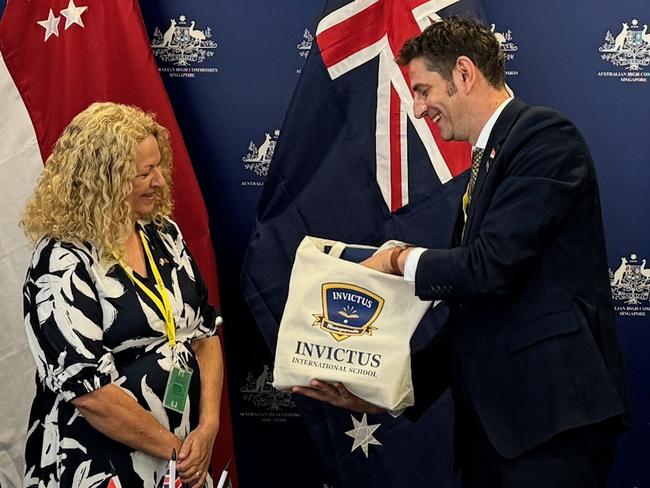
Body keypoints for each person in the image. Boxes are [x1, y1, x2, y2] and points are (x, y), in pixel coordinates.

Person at [293, 17, 629, 487]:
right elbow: (473, 318)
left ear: (465, 74)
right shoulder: (487, 162)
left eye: (424, 89)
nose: (417, 107)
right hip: (496, 434)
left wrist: (394, 260)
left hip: (550, 423)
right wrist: (388, 390)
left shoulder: (545, 139)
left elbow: (488, 269)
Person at [21, 102, 223, 488]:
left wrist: (208, 427)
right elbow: (89, 395)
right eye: (145, 173)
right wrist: (176, 452)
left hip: (179, 456)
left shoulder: (163, 235)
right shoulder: (61, 261)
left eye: (158, 167)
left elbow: (204, 334)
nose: (160, 181)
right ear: (104, 179)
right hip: (96, 462)